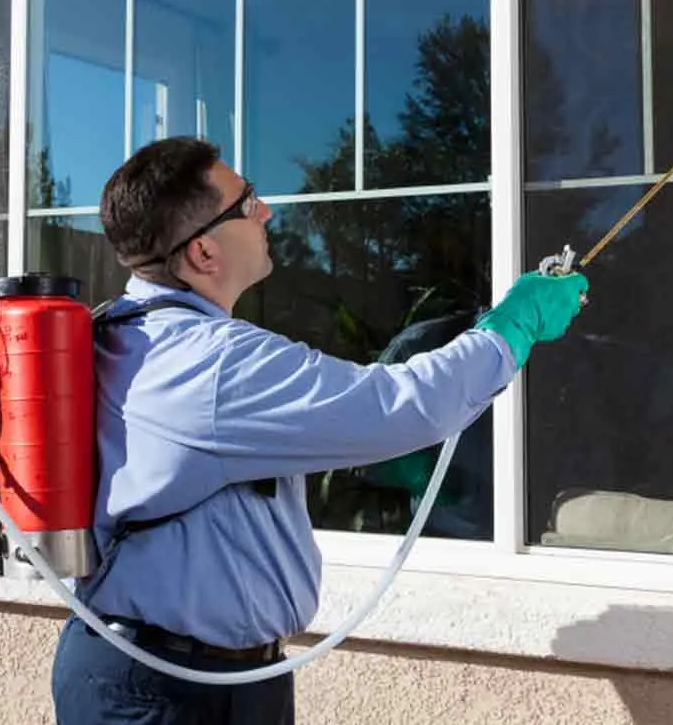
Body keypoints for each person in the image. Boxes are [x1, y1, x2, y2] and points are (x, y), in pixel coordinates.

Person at [51, 137, 589, 725]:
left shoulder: (125, 329)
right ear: (204, 252)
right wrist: (513, 327)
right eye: (246, 202)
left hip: (177, 672)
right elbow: (398, 407)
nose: (266, 213)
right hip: (171, 691)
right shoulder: (210, 365)